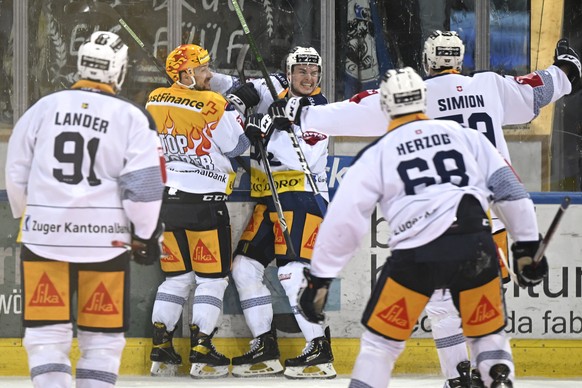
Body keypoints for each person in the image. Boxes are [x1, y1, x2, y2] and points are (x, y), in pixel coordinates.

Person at [274, 31, 580, 387]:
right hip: (479, 228)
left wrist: (300, 113)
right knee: (486, 322)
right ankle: (492, 369)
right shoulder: (484, 99)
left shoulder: (383, 147)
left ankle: (456, 376)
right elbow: (512, 179)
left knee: (387, 342)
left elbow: (343, 220)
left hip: (417, 246)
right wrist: (527, 244)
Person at [5, 31, 165, 388]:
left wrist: (29, 218)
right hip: (104, 244)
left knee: (45, 335)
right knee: (102, 337)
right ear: (118, 71)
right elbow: (143, 187)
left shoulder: (43, 108)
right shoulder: (131, 117)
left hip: (44, 240)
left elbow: (15, 171)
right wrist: (144, 234)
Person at [214, 46, 336, 379]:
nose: (309, 79)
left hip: (301, 197)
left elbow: (298, 156)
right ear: (289, 72)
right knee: (243, 267)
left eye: (314, 73)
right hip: (270, 198)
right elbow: (243, 88)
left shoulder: (319, 107)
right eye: (302, 72)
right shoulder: (277, 88)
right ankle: (265, 346)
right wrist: (240, 98)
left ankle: (319, 350)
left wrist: (263, 130)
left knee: (293, 272)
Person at [145, 43, 252, 378]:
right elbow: (239, 146)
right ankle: (203, 353)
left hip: (165, 204)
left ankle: (161, 351)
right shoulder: (213, 104)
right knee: (212, 281)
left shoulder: (153, 99)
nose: (209, 74)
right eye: (204, 68)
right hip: (204, 206)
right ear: (187, 72)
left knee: (176, 279)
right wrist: (237, 111)